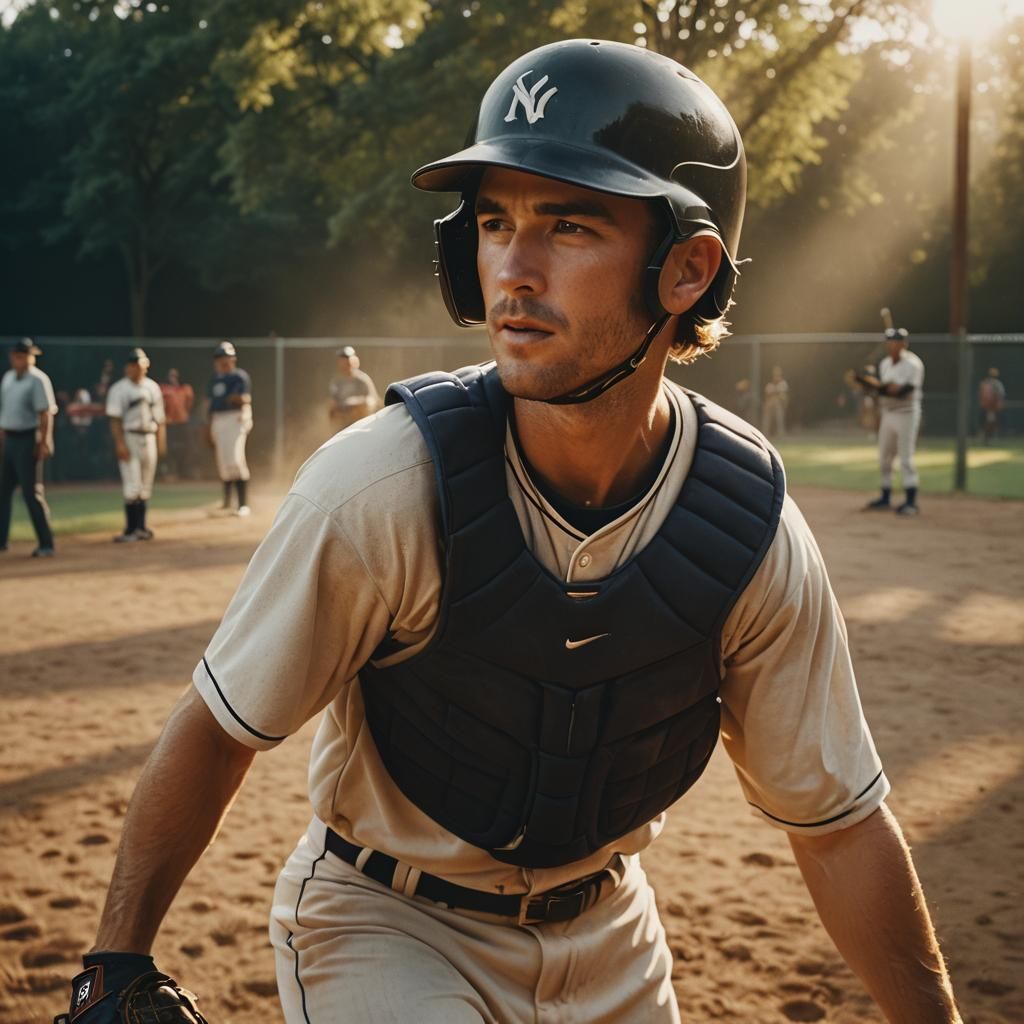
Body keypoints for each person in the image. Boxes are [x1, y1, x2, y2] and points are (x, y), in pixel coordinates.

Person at [59, 40, 962, 1024]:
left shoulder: (745, 530)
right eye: (494, 222)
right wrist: (114, 959)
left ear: (687, 269)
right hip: (383, 923)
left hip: (612, 931)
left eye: (568, 226)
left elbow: (837, 827)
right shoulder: (384, 485)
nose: (513, 270)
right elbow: (220, 727)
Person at [858, 327, 925, 516]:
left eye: (895, 342)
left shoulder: (913, 364)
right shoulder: (886, 363)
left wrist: (878, 387)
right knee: (885, 457)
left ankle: (911, 501)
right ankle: (885, 497)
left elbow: (904, 391)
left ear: (904, 344)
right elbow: (886, 389)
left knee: (906, 457)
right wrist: (870, 386)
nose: (892, 346)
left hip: (907, 413)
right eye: (889, 342)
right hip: (888, 413)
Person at [0, 337, 57, 557]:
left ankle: (46, 543)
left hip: (28, 439)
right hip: (10, 440)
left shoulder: (38, 380)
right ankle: (1, 540)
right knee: (3, 492)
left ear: (31, 357)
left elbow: (45, 413)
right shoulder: (8, 379)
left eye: (24, 355)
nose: (20, 359)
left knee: (31, 493)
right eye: (17, 355)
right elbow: (6, 411)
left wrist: (44, 441)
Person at [105, 348, 166, 543]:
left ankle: (141, 527)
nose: (136, 369)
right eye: (133, 366)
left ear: (145, 367)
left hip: (149, 436)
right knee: (132, 484)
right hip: (129, 436)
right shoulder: (119, 389)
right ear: (127, 368)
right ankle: (130, 529)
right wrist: (120, 443)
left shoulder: (152, 387)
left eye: (140, 366)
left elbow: (160, 418)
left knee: (146, 485)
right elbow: (115, 420)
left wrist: (161, 441)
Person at [204, 341, 252, 516]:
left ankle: (243, 504)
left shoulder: (239, 377)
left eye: (226, 357)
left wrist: (234, 399)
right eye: (220, 358)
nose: (223, 361)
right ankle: (226, 502)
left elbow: (243, 399)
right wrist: (208, 425)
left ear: (233, 359)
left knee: (235, 458)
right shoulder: (215, 379)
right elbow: (210, 404)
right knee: (223, 461)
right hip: (218, 419)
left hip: (235, 418)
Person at [328, 344, 380, 432]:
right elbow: (332, 404)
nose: (346, 364)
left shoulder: (363, 380)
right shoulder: (337, 382)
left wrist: (355, 403)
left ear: (355, 361)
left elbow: (373, 401)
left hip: (362, 423)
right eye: (343, 361)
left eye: (348, 360)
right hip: (344, 424)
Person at [160, 368, 196, 478]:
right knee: (169, 448)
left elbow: (189, 404)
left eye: (175, 376)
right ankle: (169, 471)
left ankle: (185, 472)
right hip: (169, 423)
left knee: (186, 448)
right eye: (171, 376)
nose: (173, 378)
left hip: (182, 422)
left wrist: (184, 414)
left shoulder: (185, 389)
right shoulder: (164, 389)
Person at [978, 366, 1006, 443]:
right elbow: (1001, 395)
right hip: (988, 406)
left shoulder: (991, 383)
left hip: (991, 407)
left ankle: (990, 437)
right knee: (987, 422)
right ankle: (987, 437)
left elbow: (1000, 395)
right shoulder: (989, 383)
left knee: (990, 422)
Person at [762, 364, 788, 436]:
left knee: (779, 419)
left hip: (779, 403)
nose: (776, 373)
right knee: (767, 419)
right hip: (770, 402)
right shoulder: (770, 383)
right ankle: (765, 433)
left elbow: (783, 395)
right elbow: (767, 394)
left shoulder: (783, 383)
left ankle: (780, 433)